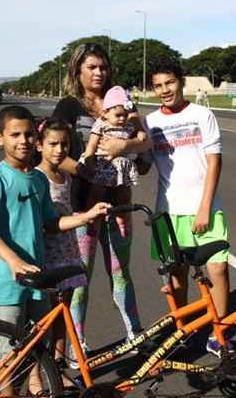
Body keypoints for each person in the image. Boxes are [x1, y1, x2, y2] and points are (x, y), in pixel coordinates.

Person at [0, 106, 110, 394]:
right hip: (6, 279)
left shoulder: (38, 179)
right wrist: (13, 260)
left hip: (37, 277)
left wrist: (83, 216)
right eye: (15, 134)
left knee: (36, 342)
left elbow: (51, 222)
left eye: (29, 134)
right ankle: (7, 393)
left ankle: (29, 387)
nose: (23, 141)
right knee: (9, 345)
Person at [52, 43, 150, 368]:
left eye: (103, 67)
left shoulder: (121, 99)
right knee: (80, 281)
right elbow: (51, 150)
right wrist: (82, 169)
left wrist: (128, 143)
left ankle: (135, 336)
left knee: (122, 275)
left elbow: (145, 139)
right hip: (82, 209)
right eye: (91, 67)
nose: (98, 72)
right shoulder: (69, 107)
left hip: (119, 206)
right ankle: (76, 347)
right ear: (78, 70)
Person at [145, 61, 233, 357]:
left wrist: (205, 207)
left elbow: (214, 161)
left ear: (180, 82)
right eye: (158, 85)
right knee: (176, 276)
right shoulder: (150, 121)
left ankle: (219, 332)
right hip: (166, 211)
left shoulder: (202, 114)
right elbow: (144, 165)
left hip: (204, 206)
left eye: (169, 83)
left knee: (218, 268)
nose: (164, 90)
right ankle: (183, 329)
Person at [34, 117, 89, 387]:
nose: (59, 150)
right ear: (39, 145)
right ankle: (37, 372)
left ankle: (58, 368)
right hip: (48, 256)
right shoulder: (37, 178)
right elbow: (45, 223)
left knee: (62, 313)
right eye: (52, 144)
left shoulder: (65, 176)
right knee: (45, 318)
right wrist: (83, 218)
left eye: (64, 144)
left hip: (68, 251)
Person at [79, 85, 145, 237]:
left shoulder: (128, 125)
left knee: (124, 195)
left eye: (125, 115)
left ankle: (123, 220)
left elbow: (141, 138)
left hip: (120, 166)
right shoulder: (101, 125)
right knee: (96, 193)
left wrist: (139, 135)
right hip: (103, 164)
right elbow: (92, 144)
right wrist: (89, 161)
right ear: (105, 113)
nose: (122, 119)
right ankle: (90, 219)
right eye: (118, 115)